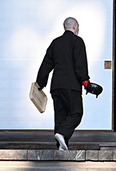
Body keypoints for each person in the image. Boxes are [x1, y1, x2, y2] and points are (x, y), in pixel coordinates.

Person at [35, 17, 90, 151]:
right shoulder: (77, 41)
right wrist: (86, 82)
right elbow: (80, 64)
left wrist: (39, 83)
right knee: (76, 113)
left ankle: (61, 145)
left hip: (57, 86)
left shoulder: (55, 43)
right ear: (75, 27)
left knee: (60, 116)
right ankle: (62, 134)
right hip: (71, 86)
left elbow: (46, 65)